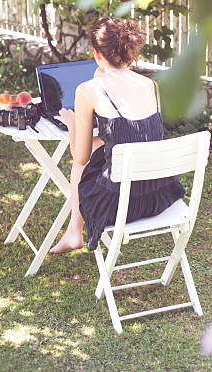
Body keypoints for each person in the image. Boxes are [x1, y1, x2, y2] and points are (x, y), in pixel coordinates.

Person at [51, 16, 185, 254]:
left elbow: (79, 156)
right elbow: (141, 136)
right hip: (158, 196)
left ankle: (74, 231)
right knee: (100, 147)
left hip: (118, 204)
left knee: (81, 165)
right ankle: (73, 233)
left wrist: (72, 124)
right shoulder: (150, 85)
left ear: (96, 53)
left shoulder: (88, 91)